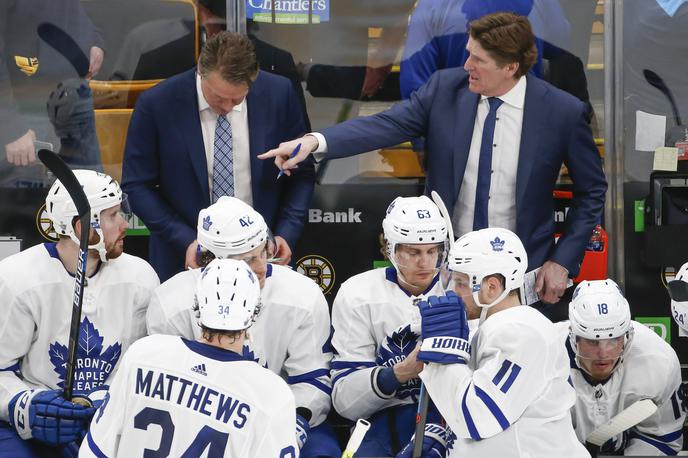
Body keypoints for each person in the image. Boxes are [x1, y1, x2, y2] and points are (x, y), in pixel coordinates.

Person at [260, 12, 607, 308]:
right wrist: (315, 141)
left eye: (478, 60)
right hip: (445, 274)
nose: (467, 65)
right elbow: (387, 125)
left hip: (520, 277)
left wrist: (562, 262)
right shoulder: (445, 89)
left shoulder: (561, 112)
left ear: (510, 67)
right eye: (468, 53)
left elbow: (592, 190)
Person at [146, 196, 340, 457]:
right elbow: (168, 395)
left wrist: (294, 424)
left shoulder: (302, 294)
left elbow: (312, 380)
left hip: (283, 415)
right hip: (202, 422)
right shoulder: (171, 303)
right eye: (247, 261)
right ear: (210, 261)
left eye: (263, 252)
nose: (261, 268)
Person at [122, 31, 315, 282]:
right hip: (185, 260)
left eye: (237, 99)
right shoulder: (157, 103)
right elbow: (136, 184)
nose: (226, 108)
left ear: (252, 81)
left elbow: (303, 172)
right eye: (217, 97)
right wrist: (184, 240)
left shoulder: (279, 94)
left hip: (262, 258)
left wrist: (285, 233)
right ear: (201, 72)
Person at [0, 170, 159, 457]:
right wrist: (24, 405)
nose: (124, 224)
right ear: (81, 226)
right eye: (113, 215)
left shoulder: (140, 278)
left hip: (108, 421)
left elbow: (140, 366)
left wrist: (106, 398)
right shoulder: (16, 279)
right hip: (36, 428)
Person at [80, 258, 298, 457]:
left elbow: (95, 452)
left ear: (197, 305)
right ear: (255, 311)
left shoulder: (144, 354)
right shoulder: (271, 394)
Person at [413, 227, 587, 457]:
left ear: (491, 287)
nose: (452, 292)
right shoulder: (491, 326)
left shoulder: (522, 333)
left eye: (460, 283)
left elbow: (478, 418)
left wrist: (442, 357)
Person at [329, 195, 448, 456]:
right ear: (390, 249)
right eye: (413, 252)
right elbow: (344, 401)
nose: (425, 262)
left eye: (432, 251)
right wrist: (398, 373)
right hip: (382, 420)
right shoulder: (357, 293)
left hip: (451, 415)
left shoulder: (460, 289)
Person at [560, 279, 686, 455]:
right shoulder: (544, 358)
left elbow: (663, 439)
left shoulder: (658, 360)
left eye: (613, 339)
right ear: (574, 337)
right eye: (592, 341)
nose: (603, 354)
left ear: (627, 334)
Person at [0, 0, 104, 188]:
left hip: (75, 103)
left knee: (92, 202)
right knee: (29, 213)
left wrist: (93, 39)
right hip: (23, 117)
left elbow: (72, 9)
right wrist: (10, 126)